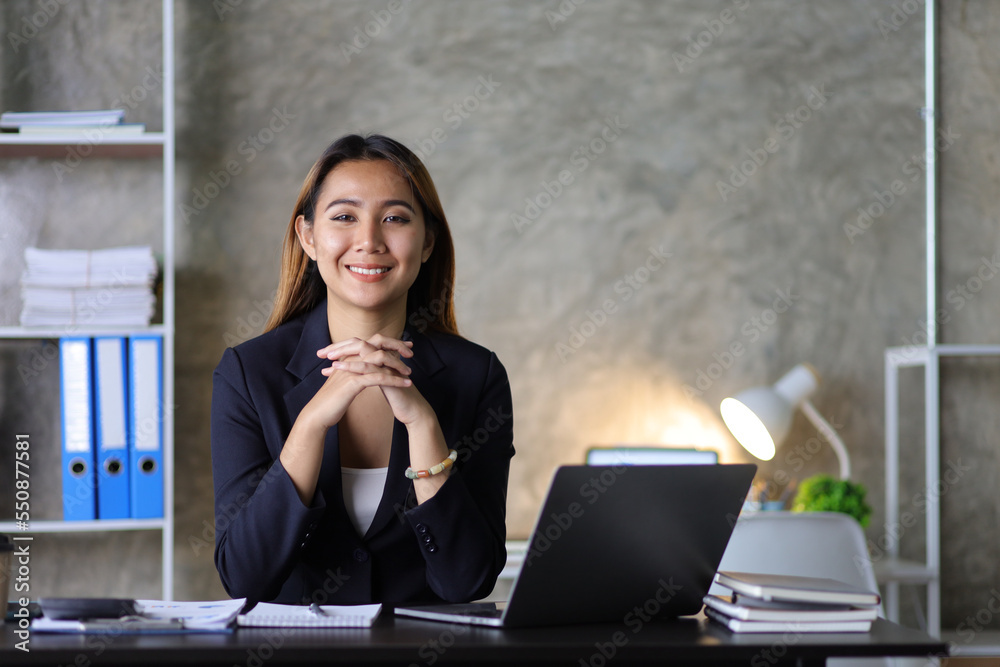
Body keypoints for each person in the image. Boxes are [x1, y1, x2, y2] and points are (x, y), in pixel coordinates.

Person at [211, 134, 514, 606]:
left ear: (428, 241)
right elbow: (246, 578)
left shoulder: (477, 377)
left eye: (394, 218)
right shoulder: (248, 373)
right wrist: (311, 424)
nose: (369, 241)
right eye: (344, 217)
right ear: (308, 237)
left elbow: (467, 581)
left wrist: (423, 424)